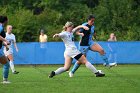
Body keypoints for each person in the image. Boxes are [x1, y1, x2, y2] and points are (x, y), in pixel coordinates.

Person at [0, 16, 10, 84]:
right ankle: (5, 80)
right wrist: (6, 40)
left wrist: (5, 45)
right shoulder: (0, 27)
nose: (8, 21)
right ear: (5, 21)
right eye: (7, 20)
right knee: (6, 64)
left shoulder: (1, 27)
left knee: (6, 64)